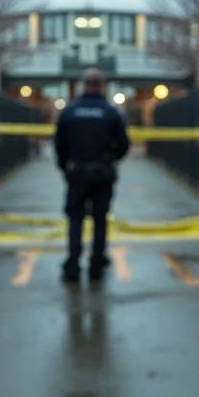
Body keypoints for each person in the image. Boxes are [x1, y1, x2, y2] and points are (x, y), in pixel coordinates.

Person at [54, 68, 131, 282]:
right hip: (102, 174)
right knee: (100, 219)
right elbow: (124, 145)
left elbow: (59, 144)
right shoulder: (110, 112)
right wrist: (110, 160)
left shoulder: (69, 111)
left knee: (76, 219)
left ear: (83, 85)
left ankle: (73, 264)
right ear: (102, 86)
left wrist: (65, 167)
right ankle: (96, 263)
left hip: (76, 172)